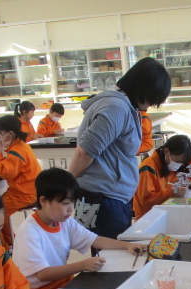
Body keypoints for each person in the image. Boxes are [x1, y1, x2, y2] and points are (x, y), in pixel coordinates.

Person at [67, 57, 171, 239]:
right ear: (143, 89)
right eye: (151, 99)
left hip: (110, 197)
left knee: (110, 250)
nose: (149, 106)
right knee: (108, 251)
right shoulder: (115, 107)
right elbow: (85, 152)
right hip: (102, 200)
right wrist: (65, 185)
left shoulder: (125, 106)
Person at [13, 168, 146, 289]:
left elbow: (94, 240)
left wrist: (127, 245)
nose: (71, 209)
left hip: (61, 283)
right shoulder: (29, 232)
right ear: (43, 201)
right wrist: (82, 265)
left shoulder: (63, 221)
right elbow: (42, 274)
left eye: (72, 203)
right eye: (65, 203)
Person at [0, 115, 41, 248]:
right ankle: (9, 241)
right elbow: (10, 165)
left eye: (0, 133)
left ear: (10, 134)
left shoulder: (16, 152)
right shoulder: (21, 146)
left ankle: (7, 245)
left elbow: (6, 173)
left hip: (23, 194)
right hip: (31, 190)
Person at [133, 134, 191, 219]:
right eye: (178, 161)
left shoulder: (169, 164)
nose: (179, 165)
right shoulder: (148, 168)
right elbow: (146, 201)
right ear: (166, 152)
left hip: (165, 212)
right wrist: (171, 192)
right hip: (147, 217)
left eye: (182, 162)